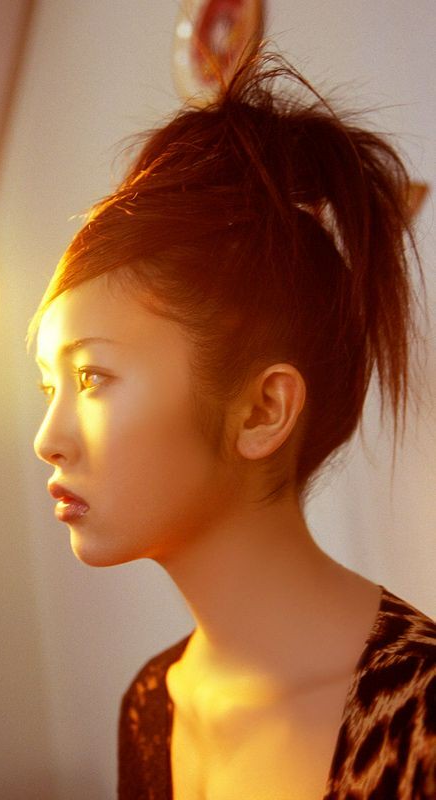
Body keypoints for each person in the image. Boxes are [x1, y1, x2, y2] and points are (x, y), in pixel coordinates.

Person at [29, 44, 435, 800]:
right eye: (50, 384)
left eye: (90, 378)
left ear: (263, 409)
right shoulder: (152, 707)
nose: (47, 440)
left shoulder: (425, 715)